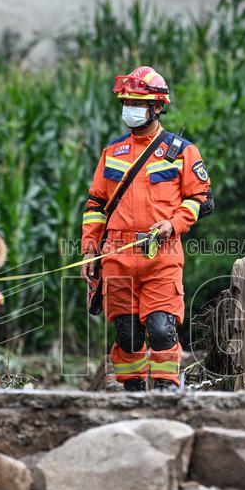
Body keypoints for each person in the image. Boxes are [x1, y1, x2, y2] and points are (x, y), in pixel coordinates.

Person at [80, 66, 213, 392]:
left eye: (137, 103)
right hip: (116, 256)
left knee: (161, 326)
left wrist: (173, 224)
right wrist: (89, 250)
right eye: (126, 102)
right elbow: (96, 205)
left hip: (161, 254)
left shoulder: (180, 151)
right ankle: (134, 390)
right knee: (127, 333)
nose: (130, 109)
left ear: (156, 107)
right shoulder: (112, 153)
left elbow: (202, 198)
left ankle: (168, 388)